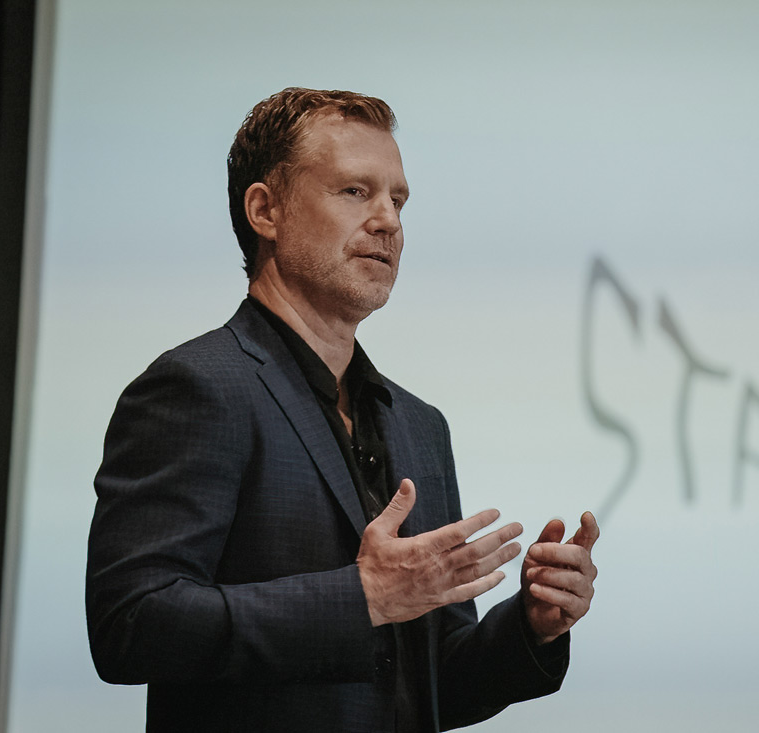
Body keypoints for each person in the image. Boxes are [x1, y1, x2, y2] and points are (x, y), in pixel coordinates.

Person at [86, 87, 600, 732]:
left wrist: (531, 625)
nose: (388, 220)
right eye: (355, 192)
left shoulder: (419, 424)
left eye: (398, 199)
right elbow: (130, 625)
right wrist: (361, 599)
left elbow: (433, 683)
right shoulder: (197, 387)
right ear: (265, 210)